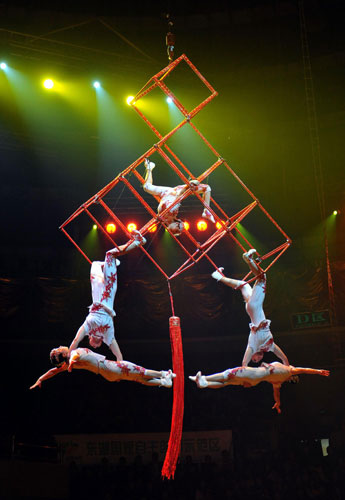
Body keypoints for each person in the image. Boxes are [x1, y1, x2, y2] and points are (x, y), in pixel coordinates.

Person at [68, 230, 146, 361]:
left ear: (89, 338)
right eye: (98, 346)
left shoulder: (88, 327)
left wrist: (68, 356)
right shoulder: (107, 335)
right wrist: (120, 365)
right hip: (108, 293)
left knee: (94, 265)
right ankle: (138, 242)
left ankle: (111, 262)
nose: (96, 346)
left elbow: (76, 341)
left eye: (92, 345)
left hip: (98, 290)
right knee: (110, 254)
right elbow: (118, 354)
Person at [211, 249, 289, 367]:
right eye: (258, 360)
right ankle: (218, 276)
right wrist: (289, 369)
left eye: (255, 360)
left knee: (262, 278)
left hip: (254, 306)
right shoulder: (269, 346)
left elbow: (244, 363)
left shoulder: (252, 346)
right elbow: (283, 358)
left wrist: (245, 374)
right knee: (244, 285)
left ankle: (249, 259)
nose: (259, 358)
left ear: (252, 356)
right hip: (251, 307)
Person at [189, 362, 330, 413]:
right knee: (227, 382)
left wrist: (318, 371)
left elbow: (304, 369)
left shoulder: (289, 370)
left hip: (253, 373)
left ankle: (204, 379)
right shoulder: (278, 382)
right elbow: (277, 396)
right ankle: (205, 384)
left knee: (227, 373)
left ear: (292, 377)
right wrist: (278, 404)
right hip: (253, 382)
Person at [30, 346, 176, 389]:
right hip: (109, 367)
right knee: (139, 371)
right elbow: (75, 357)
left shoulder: (67, 364)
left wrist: (40, 378)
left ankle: (163, 382)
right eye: (59, 349)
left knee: (137, 379)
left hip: (108, 375)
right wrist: (72, 364)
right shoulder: (73, 355)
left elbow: (53, 371)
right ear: (62, 352)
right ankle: (164, 374)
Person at [143, 158, 215, 236]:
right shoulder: (174, 214)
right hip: (175, 192)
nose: (178, 228)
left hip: (166, 193)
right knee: (207, 188)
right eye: (179, 228)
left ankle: (149, 167)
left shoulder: (163, 218)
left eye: (177, 229)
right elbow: (179, 195)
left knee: (146, 187)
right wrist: (189, 187)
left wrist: (188, 186)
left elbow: (179, 196)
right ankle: (207, 211)